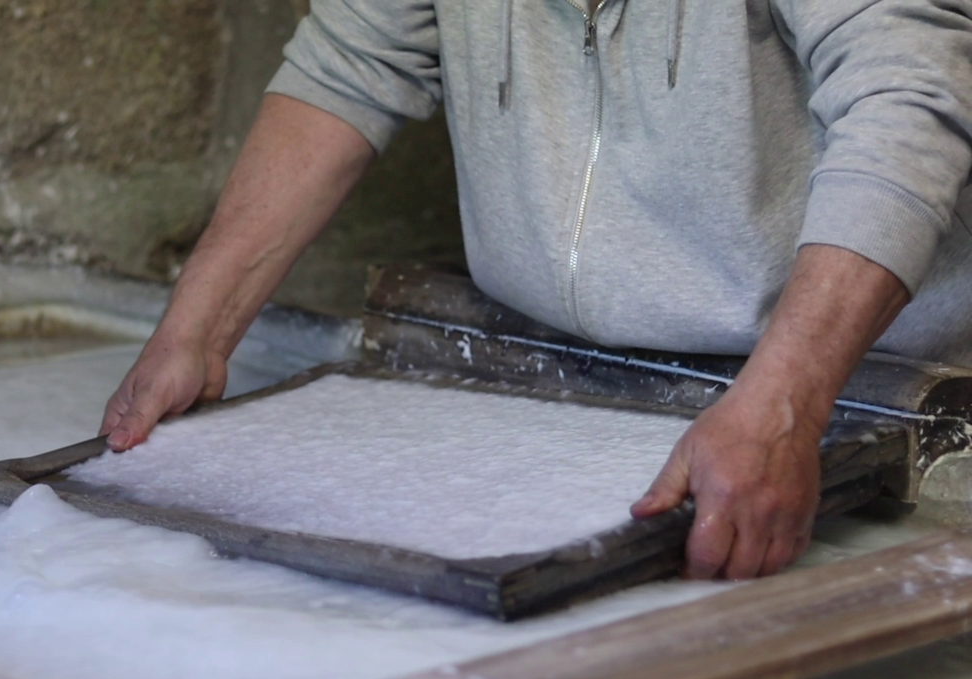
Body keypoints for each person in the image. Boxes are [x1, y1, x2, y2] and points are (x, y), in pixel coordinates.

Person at [99, 0, 972, 581]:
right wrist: (197, 328)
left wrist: (783, 407)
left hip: (866, 407)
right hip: (569, 405)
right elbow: (347, 67)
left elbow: (908, 102)